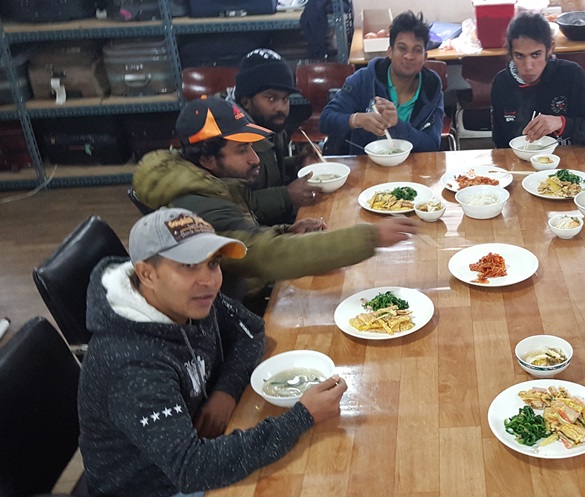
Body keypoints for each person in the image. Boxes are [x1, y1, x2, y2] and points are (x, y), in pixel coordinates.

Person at [79, 207, 349, 497]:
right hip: (157, 486)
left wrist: (226, 391)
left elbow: (251, 330)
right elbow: (192, 468)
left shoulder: (185, 298)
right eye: (188, 265)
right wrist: (301, 417)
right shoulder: (131, 364)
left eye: (213, 263)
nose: (208, 280)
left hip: (196, 447)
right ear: (146, 273)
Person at [132, 97, 417, 313]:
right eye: (242, 150)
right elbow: (265, 255)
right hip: (242, 310)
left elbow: (247, 236)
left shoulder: (206, 181)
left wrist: (285, 231)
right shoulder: (198, 207)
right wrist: (372, 237)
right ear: (206, 159)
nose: (255, 159)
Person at [319, 10, 444, 154]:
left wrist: (397, 125)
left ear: (425, 57)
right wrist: (357, 119)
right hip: (366, 166)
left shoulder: (431, 89)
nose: (409, 56)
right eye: (402, 48)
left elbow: (432, 145)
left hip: (413, 167)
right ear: (390, 52)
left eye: (416, 50)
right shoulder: (364, 79)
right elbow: (326, 121)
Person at [490, 12, 585, 150]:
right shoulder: (502, 83)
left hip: (569, 163)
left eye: (536, 54)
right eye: (519, 56)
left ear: (550, 49)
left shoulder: (571, 75)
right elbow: (500, 144)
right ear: (510, 53)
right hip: (519, 164)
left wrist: (562, 123)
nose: (528, 66)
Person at [232, 48, 322, 225]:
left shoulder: (270, 126)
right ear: (246, 100)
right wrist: (287, 196)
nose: (281, 108)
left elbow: (270, 172)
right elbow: (235, 206)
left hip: (278, 224)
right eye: (271, 98)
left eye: (285, 99)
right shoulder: (232, 140)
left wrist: (298, 161)